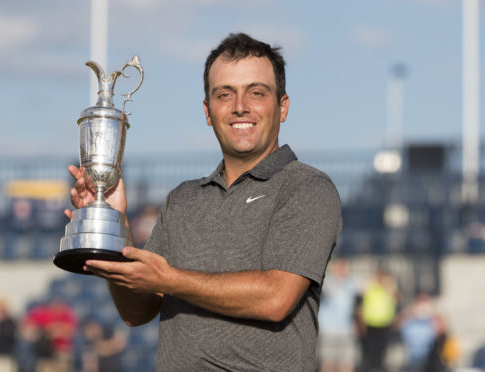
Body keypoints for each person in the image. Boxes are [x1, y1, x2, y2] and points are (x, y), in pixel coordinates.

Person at [65, 32, 342, 371]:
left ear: (282, 107)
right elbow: (136, 312)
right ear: (208, 111)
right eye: (224, 94)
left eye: (256, 92)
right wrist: (113, 224)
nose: (240, 106)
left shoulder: (307, 188)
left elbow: (275, 298)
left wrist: (169, 280)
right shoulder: (182, 199)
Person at [318, 259, 360, 372]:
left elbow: (355, 305)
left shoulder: (350, 284)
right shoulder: (327, 283)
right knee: (328, 363)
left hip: (346, 329)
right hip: (329, 329)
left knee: (347, 362)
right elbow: (325, 292)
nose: (343, 271)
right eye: (340, 268)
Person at [356, 266, 399, 372]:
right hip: (370, 324)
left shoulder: (389, 286)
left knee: (382, 352)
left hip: (384, 324)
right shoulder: (370, 285)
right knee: (369, 352)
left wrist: (386, 285)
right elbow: (360, 301)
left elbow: (396, 298)